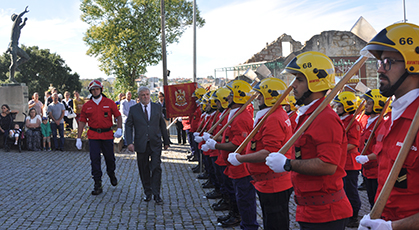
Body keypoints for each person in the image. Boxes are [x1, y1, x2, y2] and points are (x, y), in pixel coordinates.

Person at [265, 51, 352, 229]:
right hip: (310, 209)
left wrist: (288, 164)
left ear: (315, 82)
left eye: (299, 79)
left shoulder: (325, 118)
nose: (293, 85)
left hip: (326, 213)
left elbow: (328, 165)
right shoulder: (308, 116)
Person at [357, 22, 419, 230]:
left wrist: (393, 226)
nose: (380, 69)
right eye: (379, 62)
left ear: (413, 64)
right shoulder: (392, 116)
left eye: (388, 61)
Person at [228, 78, 294, 230]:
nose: (258, 98)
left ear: (270, 97)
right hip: (268, 182)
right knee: (271, 221)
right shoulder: (271, 115)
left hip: (273, 183)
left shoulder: (273, 118)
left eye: (261, 95)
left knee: (275, 224)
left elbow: (269, 152)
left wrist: (240, 158)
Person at [203, 80, 258, 229]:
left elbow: (237, 144)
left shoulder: (241, 117)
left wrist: (216, 145)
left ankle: (247, 224)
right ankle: (237, 216)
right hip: (232, 164)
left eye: (231, 94)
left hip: (241, 166)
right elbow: (229, 137)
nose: (228, 98)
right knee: (237, 195)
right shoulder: (234, 115)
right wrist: (213, 140)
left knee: (244, 198)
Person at [76, 80, 122, 195]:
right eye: (93, 89)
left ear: (101, 90)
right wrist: (78, 138)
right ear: (91, 91)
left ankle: (111, 173)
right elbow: (82, 121)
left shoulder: (109, 102)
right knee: (94, 160)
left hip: (107, 135)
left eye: (97, 89)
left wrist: (119, 128)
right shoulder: (87, 105)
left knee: (110, 159)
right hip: (93, 135)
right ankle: (97, 183)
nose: (95, 91)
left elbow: (118, 116)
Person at [126, 86, 170, 205]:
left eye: (147, 94)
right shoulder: (134, 109)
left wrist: (166, 141)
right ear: (139, 97)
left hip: (155, 143)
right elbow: (129, 125)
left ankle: (156, 194)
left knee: (156, 167)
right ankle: (147, 192)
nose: (145, 97)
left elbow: (162, 125)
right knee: (143, 168)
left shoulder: (157, 107)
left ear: (150, 95)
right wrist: (129, 142)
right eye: (143, 95)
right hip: (141, 143)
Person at [333, 91, 362, 227]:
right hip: (342, 162)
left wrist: (336, 150)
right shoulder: (340, 121)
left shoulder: (353, 122)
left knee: (351, 191)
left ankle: (354, 216)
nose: (337, 108)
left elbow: (353, 143)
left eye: (339, 106)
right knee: (343, 190)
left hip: (350, 163)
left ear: (347, 106)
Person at [355, 89, 387, 210]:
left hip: (376, 171)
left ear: (377, 104)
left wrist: (367, 157)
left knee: (376, 203)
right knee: (370, 199)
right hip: (367, 170)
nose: (366, 106)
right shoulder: (369, 122)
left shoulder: (380, 125)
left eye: (369, 103)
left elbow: (380, 149)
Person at [7, 6, 30, 82]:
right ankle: (11, 77)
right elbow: (19, 17)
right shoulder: (14, 25)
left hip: (16, 46)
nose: (20, 19)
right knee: (13, 63)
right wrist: (24, 12)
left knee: (26, 57)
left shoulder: (18, 28)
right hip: (12, 46)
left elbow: (22, 26)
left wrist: (24, 22)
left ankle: (16, 65)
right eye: (18, 18)